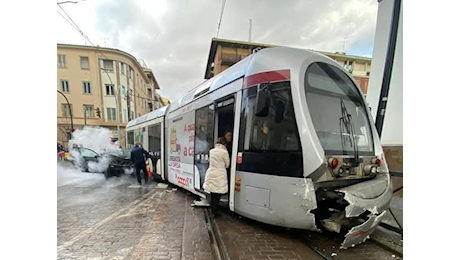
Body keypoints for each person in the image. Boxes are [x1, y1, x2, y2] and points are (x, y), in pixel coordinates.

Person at [203, 137, 230, 217]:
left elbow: (209, 161)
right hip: (220, 174)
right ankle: (215, 212)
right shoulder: (224, 152)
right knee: (217, 194)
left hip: (211, 172)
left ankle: (213, 210)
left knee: (212, 193)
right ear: (224, 144)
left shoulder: (211, 151)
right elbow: (227, 164)